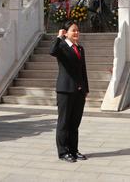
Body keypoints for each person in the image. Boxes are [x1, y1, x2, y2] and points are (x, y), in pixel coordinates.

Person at [50, 20, 89, 163]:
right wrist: (59, 37)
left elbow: (83, 70)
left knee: (74, 123)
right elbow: (52, 51)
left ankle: (73, 149)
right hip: (65, 90)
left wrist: (86, 88)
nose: (76, 32)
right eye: (73, 30)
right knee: (64, 122)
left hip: (79, 91)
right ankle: (63, 152)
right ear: (66, 33)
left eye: (77, 30)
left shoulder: (80, 48)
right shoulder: (61, 46)